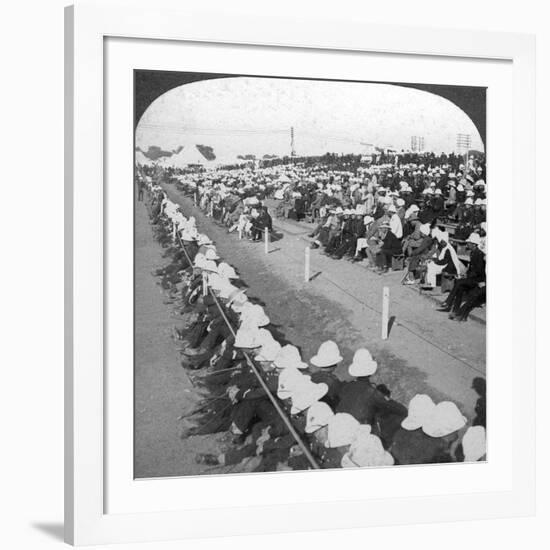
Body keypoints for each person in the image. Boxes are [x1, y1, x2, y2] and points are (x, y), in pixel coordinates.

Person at [438, 232, 486, 318]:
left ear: (474, 244)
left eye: (469, 243)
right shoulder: (473, 253)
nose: (467, 244)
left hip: (478, 280)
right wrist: (465, 274)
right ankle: (455, 311)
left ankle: (448, 303)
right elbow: (471, 269)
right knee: (459, 287)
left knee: (459, 282)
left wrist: (467, 276)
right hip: (473, 278)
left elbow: (478, 271)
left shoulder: (479, 254)